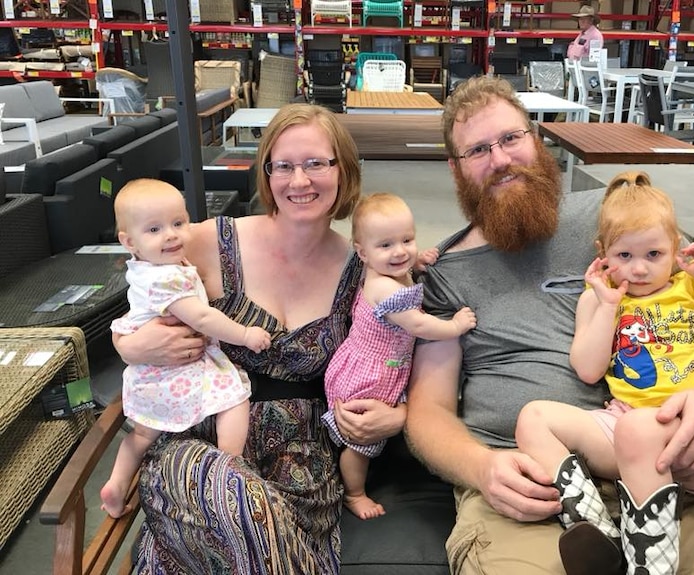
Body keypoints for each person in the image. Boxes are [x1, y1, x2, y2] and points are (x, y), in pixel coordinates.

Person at [405, 74, 694, 575]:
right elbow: (428, 413)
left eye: (511, 138)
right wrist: (482, 468)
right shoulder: (445, 274)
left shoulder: (613, 217)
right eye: (477, 151)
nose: (500, 160)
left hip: (676, 472)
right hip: (535, 494)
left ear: (536, 139)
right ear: (455, 169)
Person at [112, 103, 406, 573]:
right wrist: (127, 345)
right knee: (206, 478)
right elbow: (140, 298)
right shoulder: (207, 241)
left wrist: (399, 414)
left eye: (315, 163)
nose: (299, 181)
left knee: (244, 514)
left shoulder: (365, 269)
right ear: (266, 173)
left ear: (343, 170)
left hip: (300, 464)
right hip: (201, 439)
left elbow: (398, 353)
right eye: (283, 166)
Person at [515, 172, 694, 574]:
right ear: (602, 253)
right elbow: (588, 371)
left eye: (654, 255)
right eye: (625, 256)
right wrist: (607, 306)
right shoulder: (598, 297)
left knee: (638, 431)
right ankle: (596, 527)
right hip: (626, 429)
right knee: (533, 418)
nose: (639, 270)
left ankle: (651, 565)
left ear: (675, 248)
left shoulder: (691, 287)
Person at [100, 179, 272, 519]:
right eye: (155, 229)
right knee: (234, 398)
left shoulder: (146, 269)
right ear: (129, 241)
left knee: (142, 433)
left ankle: (117, 483)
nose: (171, 235)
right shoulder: (167, 279)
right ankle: (230, 465)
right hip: (175, 370)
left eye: (178, 223)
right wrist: (246, 335)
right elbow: (204, 318)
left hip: (148, 376)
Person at [323, 192, 477, 520]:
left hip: (380, 364)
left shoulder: (388, 271)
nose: (400, 251)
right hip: (368, 375)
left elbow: (404, 265)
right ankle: (355, 493)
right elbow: (418, 323)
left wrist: (417, 263)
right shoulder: (383, 289)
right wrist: (454, 327)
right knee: (360, 446)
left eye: (407, 239)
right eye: (386, 245)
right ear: (362, 253)